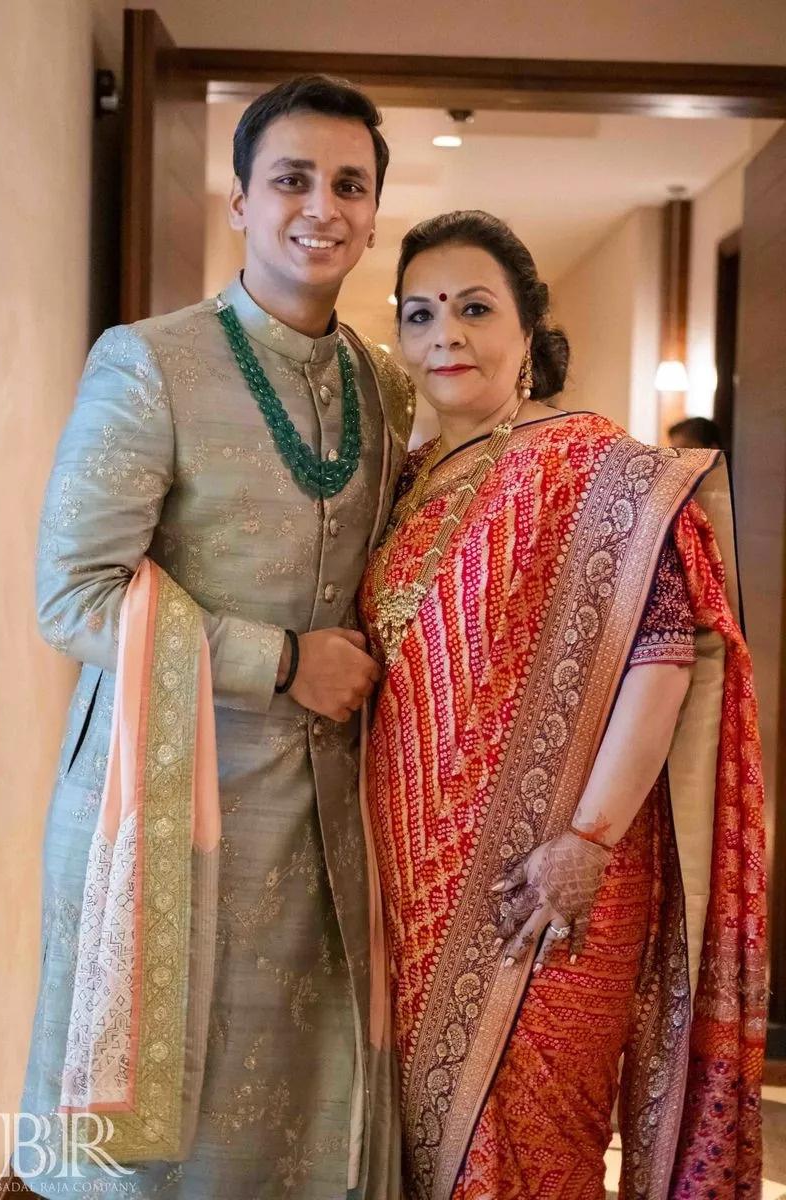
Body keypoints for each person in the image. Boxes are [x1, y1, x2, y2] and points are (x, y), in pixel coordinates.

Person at [7, 76, 413, 1200]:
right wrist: (280, 659)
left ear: (374, 213)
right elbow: (73, 593)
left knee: (298, 1126)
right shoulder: (149, 360)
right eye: (290, 179)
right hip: (166, 809)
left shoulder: (383, 388)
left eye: (348, 184)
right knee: (159, 1148)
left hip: (324, 824)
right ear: (240, 200)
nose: (318, 207)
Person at [358, 211, 766, 1200]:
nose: (442, 334)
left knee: (541, 1146)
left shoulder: (597, 468)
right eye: (418, 314)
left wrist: (583, 841)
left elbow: (660, 655)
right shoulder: (399, 486)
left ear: (527, 330)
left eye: (471, 308)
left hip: (556, 873)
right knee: (425, 1151)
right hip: (410, 891)